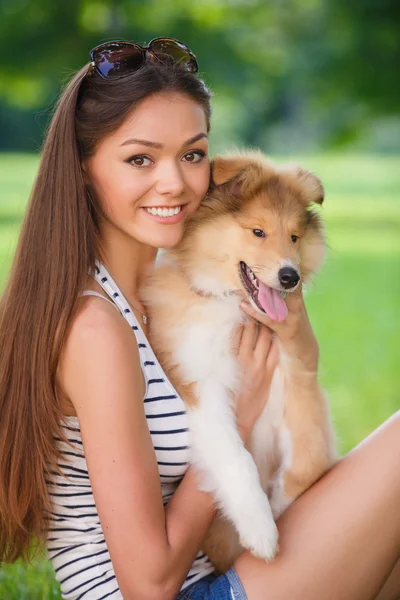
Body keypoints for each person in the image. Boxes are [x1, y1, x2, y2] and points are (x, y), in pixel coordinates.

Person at [0, 38, 398, 600]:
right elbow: (149, 584)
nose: (176, 183)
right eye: (141, 158)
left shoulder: (167, 288)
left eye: (192, 154)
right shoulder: (96, 326)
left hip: (227, 569)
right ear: (83, 168)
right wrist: (237, 419)